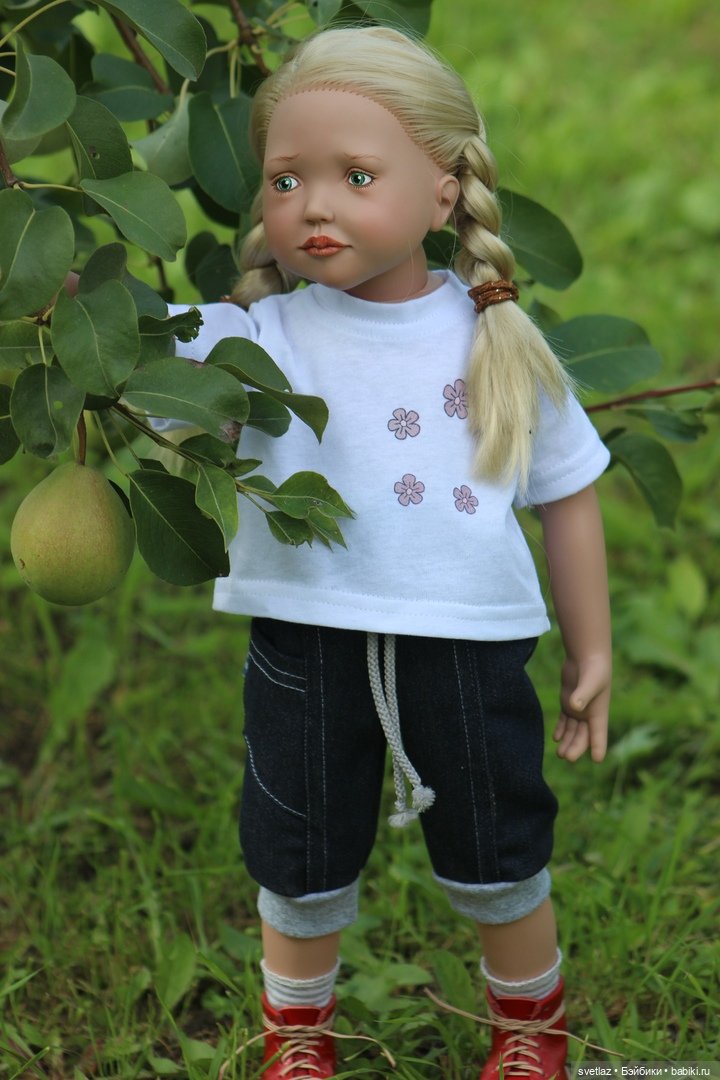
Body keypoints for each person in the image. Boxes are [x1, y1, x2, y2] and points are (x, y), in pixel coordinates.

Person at [166, 24, 612, 1080]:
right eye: (286, 180)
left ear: (445, 193)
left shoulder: (495, 339)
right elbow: (136, 350)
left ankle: (530, 1027)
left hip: (468, 647)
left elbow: (568, 493)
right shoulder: (256, 339)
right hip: (303, 645)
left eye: (356, 176)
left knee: (501, 844)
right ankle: (298, 1036)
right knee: (296, 852)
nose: (313, 206)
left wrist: (591, 647)